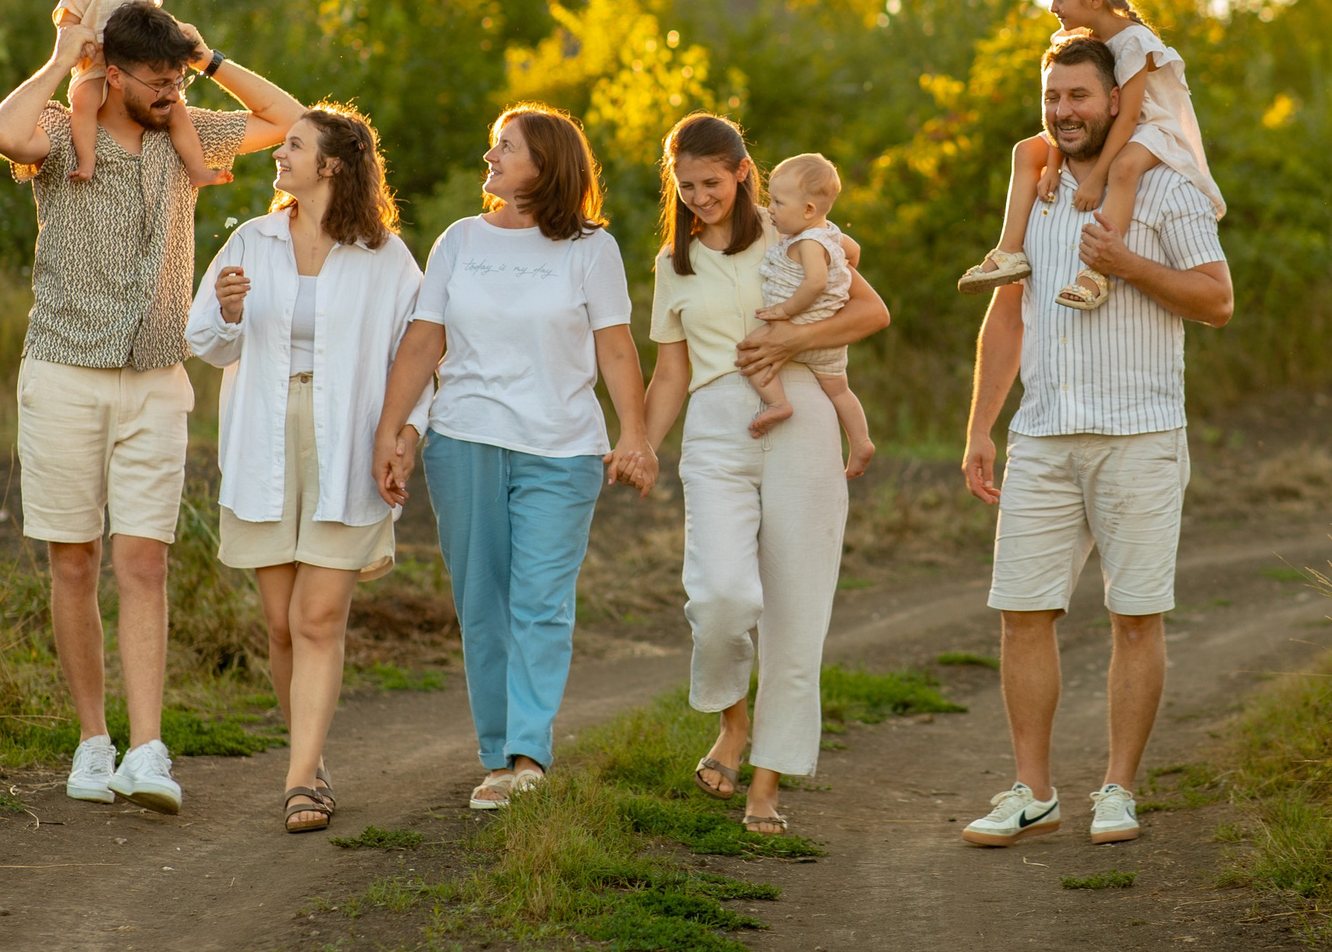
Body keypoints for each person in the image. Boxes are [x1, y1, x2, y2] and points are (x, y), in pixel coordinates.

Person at [0, 0, 305, 815]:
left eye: (176, 79)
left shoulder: (189, 129)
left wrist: (208, 58)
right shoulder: (62, 132)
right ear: (113, 73)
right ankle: (94, 742)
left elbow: (295, 121)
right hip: (63, 371)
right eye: (156, 81)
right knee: (74, 560)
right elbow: (0, 133)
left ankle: (148, 747)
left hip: (158, 377)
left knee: (146, 561)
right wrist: (63, 59)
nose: (170, 93)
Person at [958, 32, 1234, 848]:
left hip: (1140, 431)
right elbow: (1007, 314)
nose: (1063, 111)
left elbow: (1217, 299)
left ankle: (1117, 789)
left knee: (1136, 617)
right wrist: (981, 425)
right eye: (1052, 97)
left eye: (1078, 96)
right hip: (1041, 433)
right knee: (1020, 613)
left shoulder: (1163, 187)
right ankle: (1032, 788)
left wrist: (1128, 262)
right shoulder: (1036, 190)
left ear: (1116, 99)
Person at [371, 105, 658, 811]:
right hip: (464, 438)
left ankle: (530, 752)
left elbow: (616, 346)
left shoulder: (591, 247)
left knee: (540, 600)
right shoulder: (459, 240)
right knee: (481, 600)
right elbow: (422, 341)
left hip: (562, 447)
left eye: (508, 145)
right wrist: (390, 431)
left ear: (548, 163)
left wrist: (637, 433)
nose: (490, 153)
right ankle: (497, 754)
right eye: (494, 141)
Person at [642, 115, 891, 835]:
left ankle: (767, 783)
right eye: (684, 185)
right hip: (715, 425)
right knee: (719, 596)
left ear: (744, 171)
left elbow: (872, 310)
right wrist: (641, 442)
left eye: (711, 182)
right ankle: (734, 720)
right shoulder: (673, 263)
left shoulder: (794, 230)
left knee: (796, 610)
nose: (698, 196)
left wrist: (792, 337)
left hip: (803, 416)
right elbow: (668, 371)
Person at [186, 105, 422, 834]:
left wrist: (406, 432)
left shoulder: (387, 257)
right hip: (263, 436)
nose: (277, 156)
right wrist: (226, 313)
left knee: (318, 617)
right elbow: (206, 342)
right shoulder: (252, 240)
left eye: (292, 146)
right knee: (280, 625)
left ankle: (299, 782)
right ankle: (310, 760)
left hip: (348, 437)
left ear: (333, 164)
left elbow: (418, 360)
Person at [959, 0, 1224, 311]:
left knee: (1125, 167)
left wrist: (1097, 176)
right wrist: (1052, 165)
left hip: (1149, 127)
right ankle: (1010, 251)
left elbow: (1130, 118)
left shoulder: (1135, 42)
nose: (1053, 7)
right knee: (1025, 151)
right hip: (1108, 121)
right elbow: (1059, 111)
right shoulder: (1082, 39)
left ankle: (1095, 274)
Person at [53, 0, 230, 189]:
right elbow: (66, 24)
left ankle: (197, 169)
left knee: (177, 109)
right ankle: (86, 160)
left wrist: (178, 34)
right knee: (84, 103)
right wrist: (77, 40)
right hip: (96, 65)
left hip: (139, 67)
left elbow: (155, 20)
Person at [749, 153, 877, 476]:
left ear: (808, 210)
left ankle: (779, 404)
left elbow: (816, 282)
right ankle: (860, 440)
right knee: (839, 390)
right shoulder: (830, 233)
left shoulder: (807, 242)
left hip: (802, 323)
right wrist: (843, 274)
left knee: (750, 352)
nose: (770, 209)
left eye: (778, 202)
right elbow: (855, 252)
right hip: (829, 340)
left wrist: (785, 310)